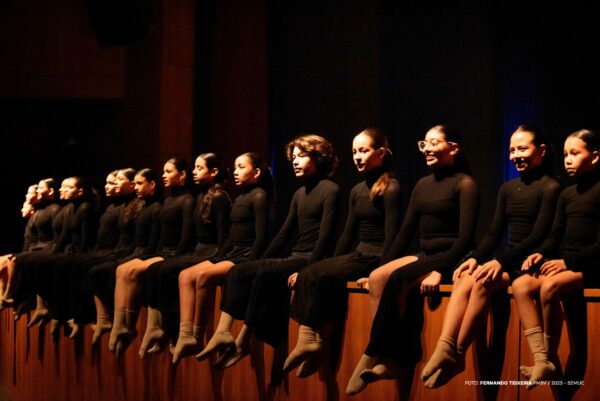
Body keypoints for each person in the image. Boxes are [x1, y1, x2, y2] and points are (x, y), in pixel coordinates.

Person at [420, 124, 560, 388]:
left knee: (484, 281)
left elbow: (539, 236)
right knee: (468, 276)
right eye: (512, 150)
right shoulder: (507, 189)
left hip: (533, 264)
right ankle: (446, 347)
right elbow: (494, 233)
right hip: (511, 262)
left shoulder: (551, 187)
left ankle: (457, 352)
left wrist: (499, 261)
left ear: (541, 151)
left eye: (522, 149)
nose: (515, 155)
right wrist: (476, 257)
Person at [346, 125, 479, 395]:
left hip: (453, 255)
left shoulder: (465, 184)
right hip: (426, 254)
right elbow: (404, 233)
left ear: (453, 148)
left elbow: (466, 239)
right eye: (424, 144)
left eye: (434, 143)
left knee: (398, 278)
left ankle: (375, 353)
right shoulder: (422, 185)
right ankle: (389, 357)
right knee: (379, 277)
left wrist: (440, 269)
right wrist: (380, 266)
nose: (427, 149)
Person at [192, 134, 339, 368]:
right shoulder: (299, 194)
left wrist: (310, 268)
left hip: (312, 258)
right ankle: (223, 332)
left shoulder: (330, 189)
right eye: (293, 157)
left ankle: (244, 340)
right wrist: (260, 259)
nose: (295, 161)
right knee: (239, 271)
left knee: (265, 274)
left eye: (301, 156)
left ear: (319, 158)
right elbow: (284, 233)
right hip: (296, 255)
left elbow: (326, 236)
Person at [283, 128, 402, 378]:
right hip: (359, 253)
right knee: (310, 272)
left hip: (376, 257)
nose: (357, 156)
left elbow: (393, 236)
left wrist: (381, 272)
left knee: (321, 275)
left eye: (363, 151)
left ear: (380, 153)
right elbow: (348, 234)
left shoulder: (390, 187)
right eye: (354, 151)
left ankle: (316, 344)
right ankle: (310, 341)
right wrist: (330, 262)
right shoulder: (357, 190)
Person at [512, 129, 600, 389]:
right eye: (565, 155)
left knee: (550, 286)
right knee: (521, 285)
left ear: (595, 156)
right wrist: (541, 252)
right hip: (570, 264)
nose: (568, 160)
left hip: (593, 265)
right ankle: (541, 359)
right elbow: (555, 234)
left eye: (575, 153)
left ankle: (549, 356)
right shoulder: (567, 194)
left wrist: (567, 263)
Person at [173, 152, 271, 364]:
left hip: (246, 255)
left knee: (204, 276)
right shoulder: (240, 198)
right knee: (185, 275)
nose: (235, 172)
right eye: (235, 167)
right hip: (233, 252)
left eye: (241, 167)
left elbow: (262, 236)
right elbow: (231, 235)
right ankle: (185, 334)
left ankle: (197, 335)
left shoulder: (259, 196)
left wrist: (251, 262)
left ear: (256, 172)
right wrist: (219, 255)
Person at [138, 153, 231, 358]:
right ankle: (159, 328)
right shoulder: (200, 196)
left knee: (169, 270)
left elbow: (224, 235)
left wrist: (219, 259)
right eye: (194, 168)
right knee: (156, 269)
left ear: (214, 171)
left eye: (199, 168)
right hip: (198, 251)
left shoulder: (219, 197)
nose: (194, 172)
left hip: (211, 252)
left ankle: (176, 332)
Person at [108, 158, 194, 356]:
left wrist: (173, 256)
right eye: (163, 171)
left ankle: (152, 327)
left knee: (147, 270)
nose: (164, 175)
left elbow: (186, 235)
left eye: (168, 171)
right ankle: (122, 324)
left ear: (182, 175)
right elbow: (158, 236)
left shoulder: (186, 200)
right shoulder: (168, 201)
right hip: (162, 252)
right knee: (122, 269)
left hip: (174, 253)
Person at [85, 168, 162, 345]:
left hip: (147, 253)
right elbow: (134, 237)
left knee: (117, 270)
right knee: (95, 271)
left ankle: (124, 324)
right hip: (134, 251)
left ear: (152, 185)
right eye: (135, 183)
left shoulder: (156, 207)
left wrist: (136, 255)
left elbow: (152, 240)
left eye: (139, 183)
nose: (136, 187)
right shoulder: (139, 206)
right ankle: (110, 320)